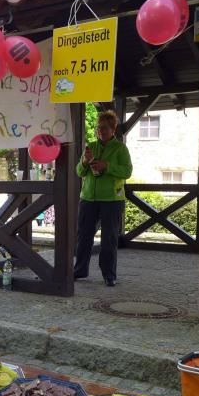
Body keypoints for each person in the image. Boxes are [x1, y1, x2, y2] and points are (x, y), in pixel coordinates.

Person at [73, 110, 133, 287]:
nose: (101, 131)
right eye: (98, 128)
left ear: (113, 129)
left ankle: (109, 274)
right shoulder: (90, 146)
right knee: (83, 237)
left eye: (105, 128)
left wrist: (106, 165)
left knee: (109, 239)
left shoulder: (120, 148)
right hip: (88, 199)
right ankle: (80, 270)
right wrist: (85, 162)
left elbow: (127, 171)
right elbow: (79, 171)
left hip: (112, 200)